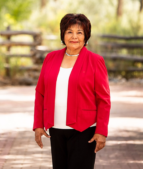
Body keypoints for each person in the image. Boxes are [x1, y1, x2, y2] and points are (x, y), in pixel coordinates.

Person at [33, 13, 111, 169]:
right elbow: (40, 93)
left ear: (86, 36)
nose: (74, 36)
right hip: (56, 128)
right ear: (63, 34)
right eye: (69, 32)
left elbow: (103, 99)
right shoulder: (50, 58)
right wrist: (38, 124)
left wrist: (101, 131)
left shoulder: (95, 61)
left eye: (79, 32)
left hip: (84, 130)